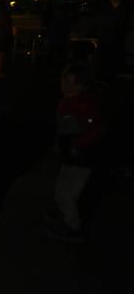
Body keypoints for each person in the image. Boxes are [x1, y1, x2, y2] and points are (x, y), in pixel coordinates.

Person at [46, 64, 106, 242]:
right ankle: (63, 217)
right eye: (65, 82)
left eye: (73, 83)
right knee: (61, 188)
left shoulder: (85, 104)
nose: (67, 87)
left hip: (83, 158)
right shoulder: (67, 102)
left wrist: (76, 145)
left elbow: (96, 130)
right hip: (70, 156)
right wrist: (60, 145)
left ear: (83, 86)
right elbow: (63, 128)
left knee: (69, 193)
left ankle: (74, 227)